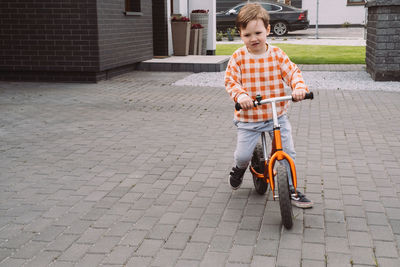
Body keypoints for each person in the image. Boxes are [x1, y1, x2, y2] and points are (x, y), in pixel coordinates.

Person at [225, 3, 313, 208]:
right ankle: (239, 168)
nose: (253, 38)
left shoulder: (277, 55)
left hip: (276, 115)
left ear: (268, 30)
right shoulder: (238, 58)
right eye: (247, 35)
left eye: (258, 32)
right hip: (249, 118)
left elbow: (292, 72)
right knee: (243, 155)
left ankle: (291, 188)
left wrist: (298, 87)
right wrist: (241, 96)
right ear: (240, 34)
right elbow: (231, 82)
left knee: (288, 152)